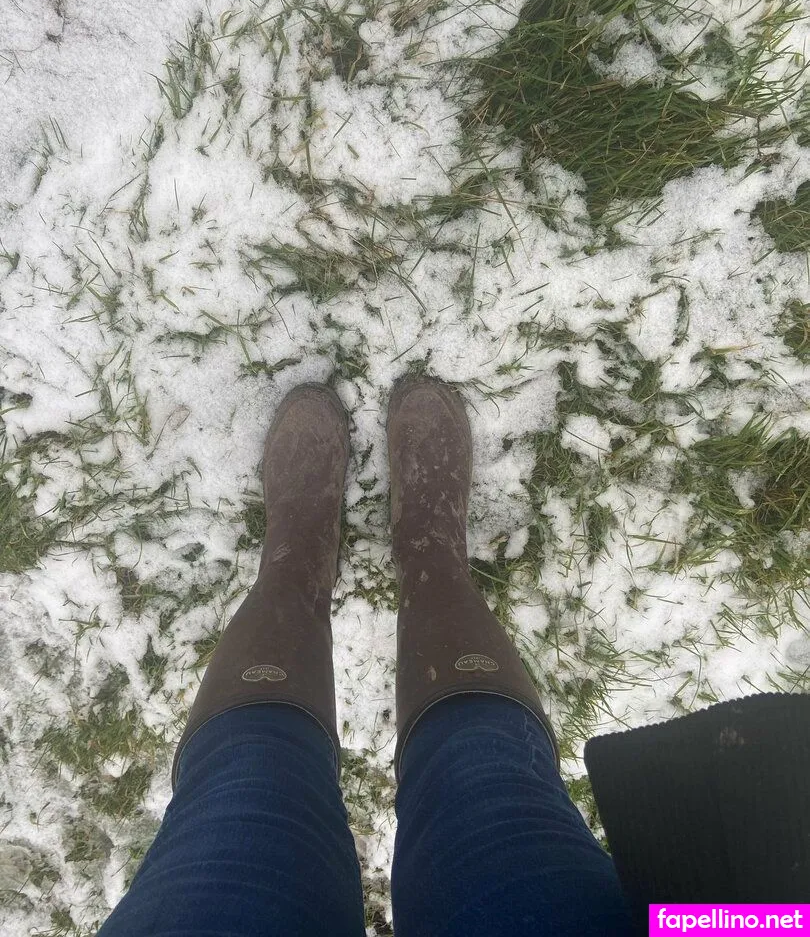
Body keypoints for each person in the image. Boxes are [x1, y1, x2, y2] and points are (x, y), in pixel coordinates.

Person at [97, 376, 634, 936]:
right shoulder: (700, 920)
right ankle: (379, 556)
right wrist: (698, 920)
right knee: (489, 776)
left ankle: (335, 560)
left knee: (245, 783)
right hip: (663, 922)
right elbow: (696, 921)